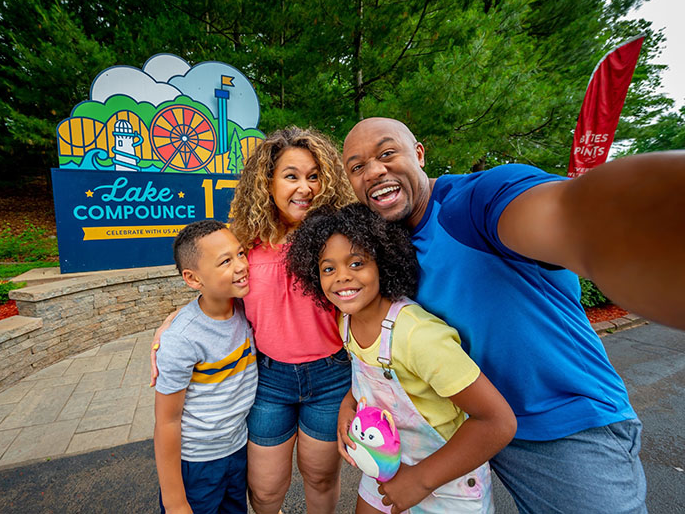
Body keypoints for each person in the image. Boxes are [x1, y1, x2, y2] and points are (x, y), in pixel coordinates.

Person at [340, 117, 685, 513]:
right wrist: (353, 397)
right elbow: (393, 340)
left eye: (387, 153)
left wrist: (616, 222)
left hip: (562, 426)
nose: (375, 170)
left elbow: (559, 215)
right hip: (463, 429)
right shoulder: (384, 248)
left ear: (418, 153)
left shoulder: (473, 202)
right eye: (357, 166)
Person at [286, 203, 516, 513]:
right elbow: (367, 380)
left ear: (382, 262)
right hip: (386, 470)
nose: (341, 277)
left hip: (448, 482)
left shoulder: (419, 336)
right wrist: (347, 406)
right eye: (328, 268)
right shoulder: (345, 322)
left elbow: (498, 422)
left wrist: (420, 480)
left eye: (356, 263)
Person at [229, 127, 356, 514]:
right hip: (268, 378)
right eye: (292, 175)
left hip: (331, 375)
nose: (305, 187)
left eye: (314, 175)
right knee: (266, 490)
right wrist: (172, 323)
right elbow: (215, 296)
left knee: (319, 477)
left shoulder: (340, 236)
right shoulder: (243, 240)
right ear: (267, 182)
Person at [154, 220, 258, 514]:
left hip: (237, 451)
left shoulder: (245, 309)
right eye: (225, 261)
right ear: (193, 278)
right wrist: (175, 500)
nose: (241, 266)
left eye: (240, 253)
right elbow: (166, 422)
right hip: (196, 463)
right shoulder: (182, 339)